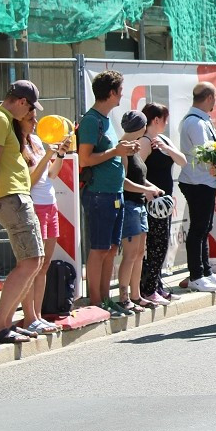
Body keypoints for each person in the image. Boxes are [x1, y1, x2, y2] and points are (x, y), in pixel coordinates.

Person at [0, 81, 49, 343]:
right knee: (31, 261)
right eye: (31, 108)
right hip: (11, 199)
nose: (31, 114)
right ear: (21, 101)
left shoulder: (1, 120)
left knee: (33, 260)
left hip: (13, 198)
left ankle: (5, 324)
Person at [79, 72, 142, 314]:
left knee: (112, 249)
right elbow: (85, 159)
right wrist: (116, 152)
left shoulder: (104, 119)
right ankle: (96, 301)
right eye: (120, 90)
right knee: (100, 248)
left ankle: (105, 300)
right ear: (112, 92)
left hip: (113, 193)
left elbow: (112, 151)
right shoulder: (91, 121)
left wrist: (124, 150)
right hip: (99, 193)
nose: (122, 95)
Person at [18, 104, 71, 335]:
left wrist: (59, 153)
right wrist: (49, 154)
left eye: (35, 117)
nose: (35, 122)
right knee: (32, 265)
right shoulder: (18, 145)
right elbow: (30, 179)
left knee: (44, 265)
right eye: (31, 118)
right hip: (35, 206)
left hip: (50, 205)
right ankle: (29, 317)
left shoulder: (38, 142)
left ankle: (38, 316)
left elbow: (52, 174)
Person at [178, 82, 216, 292]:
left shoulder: (199, 121)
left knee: (204, 228)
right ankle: (196, 275)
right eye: (213, 99)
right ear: (209, 98)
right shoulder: (196, 123)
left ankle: (206, 272)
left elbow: (209, 147)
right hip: (198, 181)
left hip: (203, 180)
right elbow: (207, 153)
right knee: (199, 229)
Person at [138, 103, 186, 305]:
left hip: (164, 202)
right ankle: (148, 289)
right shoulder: (145, 142)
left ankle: (156, 285)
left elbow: (182, 160)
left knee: (162, 242)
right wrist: (147, 191)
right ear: (156, 120)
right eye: (164, 119)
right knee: (155, 245)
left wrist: (167, 149)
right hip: (152, 201)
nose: (166, 123)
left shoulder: (163, 140)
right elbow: (137, 171)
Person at [116, 110, 163, 312]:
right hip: (129, 205)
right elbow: (123, 182)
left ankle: (136, 295)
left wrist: (153, 188)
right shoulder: (124, 148)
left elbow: (139, 178)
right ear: (142, 127)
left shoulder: (134, 148)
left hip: (139, 204)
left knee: (139, 252)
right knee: (130, 254)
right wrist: (147, 189)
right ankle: (124, 296)